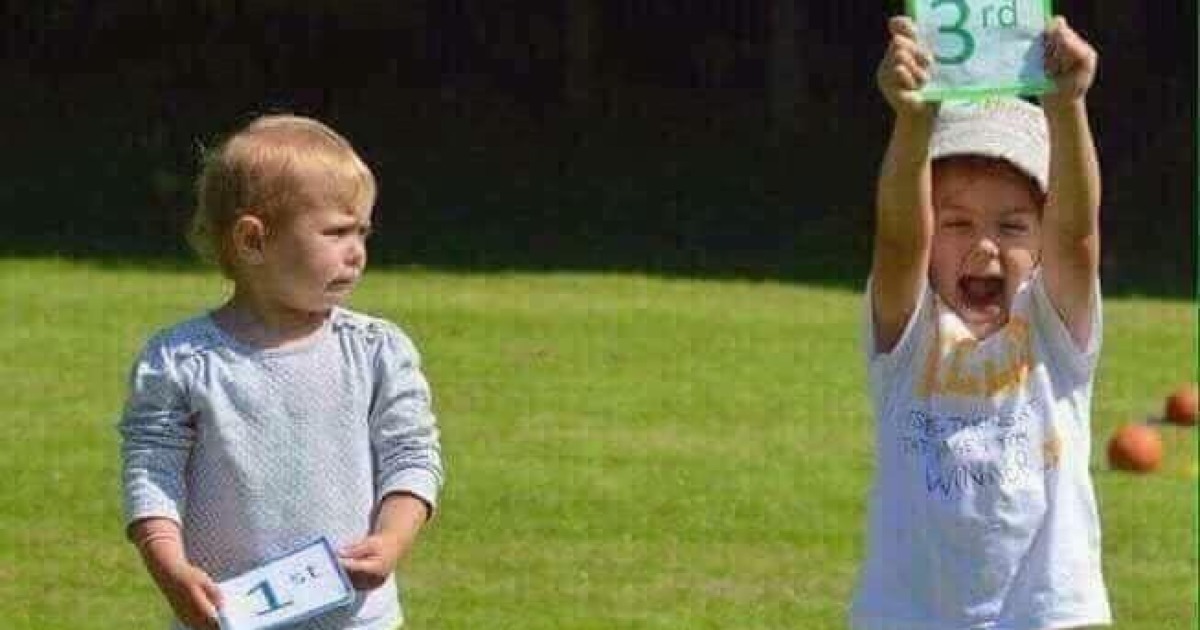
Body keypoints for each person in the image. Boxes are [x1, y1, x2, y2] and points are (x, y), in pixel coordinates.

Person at [119, 114, 443, 630]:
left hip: (356, 619)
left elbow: (411, 454)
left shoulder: (377, 351)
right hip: (230, 615)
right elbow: (152, 473)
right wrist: (170, 567)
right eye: (336, 232)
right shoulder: (181, 361)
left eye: (362, 231)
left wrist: (390, 541)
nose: (357, 252)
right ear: (253, 241)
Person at [851, 15, 1111, 630]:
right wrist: (913, 121)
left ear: (1040, 236)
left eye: (1013, 225)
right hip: (910, 616)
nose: (985, 246)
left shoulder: (1056, 330)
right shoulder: (907, 334)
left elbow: (1076, 235)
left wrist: (1067, 105)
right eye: (958, 223)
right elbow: (897, 240)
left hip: (1050, 614)